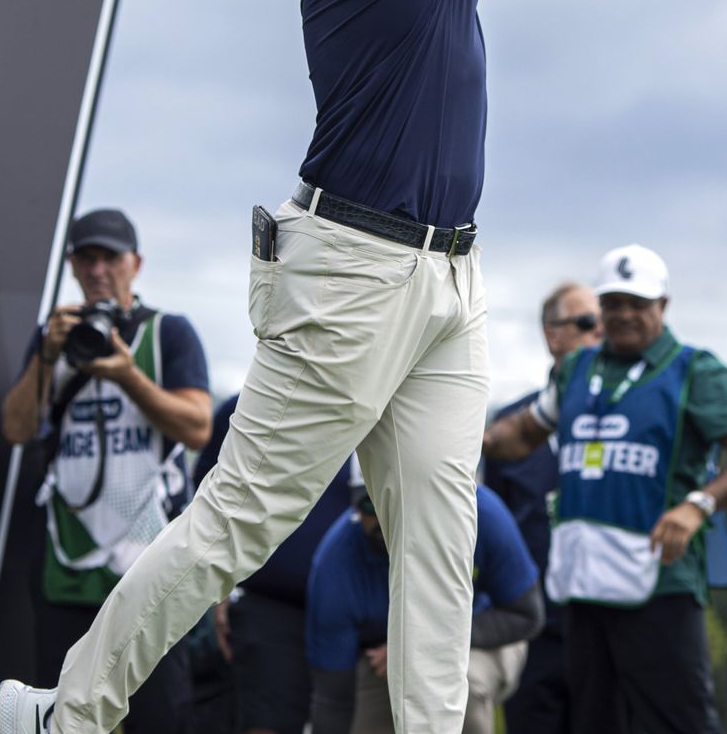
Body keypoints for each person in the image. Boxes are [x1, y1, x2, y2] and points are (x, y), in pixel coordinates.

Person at [0, 0, 583, 734]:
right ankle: (70, 714)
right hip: (354, 267)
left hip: (449, 272)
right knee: (240, 519)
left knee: (441, 547)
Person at [483, 242, 727, 734]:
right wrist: (462, 438)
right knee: (594, 722)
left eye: (637, 304)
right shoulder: (578, 370)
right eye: (613, 304)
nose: (624, 315)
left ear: (663, 305)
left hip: (659, 586)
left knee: (676, 723)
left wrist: (698, 506)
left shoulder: (695, 370)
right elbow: (523, 434)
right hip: (584, 587)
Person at [0, 208, 213, 734]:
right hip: (66, 567)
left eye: (110, 258)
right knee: (61, 720)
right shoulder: (53, 339)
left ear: (135, 264)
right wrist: (47, 356)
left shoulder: (166, 333)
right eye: (86, 257)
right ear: (71, 264)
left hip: (149, 569)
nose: (98, 270)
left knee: (159, 718)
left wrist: (127, 375)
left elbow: (198, 428)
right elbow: (16, 428)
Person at [306, 466, 543, 734]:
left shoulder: (482, 513)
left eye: (401, 499)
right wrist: (405, 650)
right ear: (354, 507)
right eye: (371, 503)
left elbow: (527, 616)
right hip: (382, 658)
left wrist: (420, 642)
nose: (386, 514)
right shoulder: (335, 564)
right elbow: (333, 698)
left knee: (461, 690)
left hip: (482, 638)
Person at [195, 394, 354, 734]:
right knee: (267, 721)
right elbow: (207, 506)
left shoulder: (375, 406)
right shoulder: (252, 404)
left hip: (357, 611)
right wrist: (217, 592)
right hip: (270, 601)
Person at [482, 281, 600, 733]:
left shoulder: (619, 421)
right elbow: (495, 533)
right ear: (554, 334)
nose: (600, 334)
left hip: (601, 625)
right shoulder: (512, 427)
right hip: (534, 630)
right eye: (588, 323)